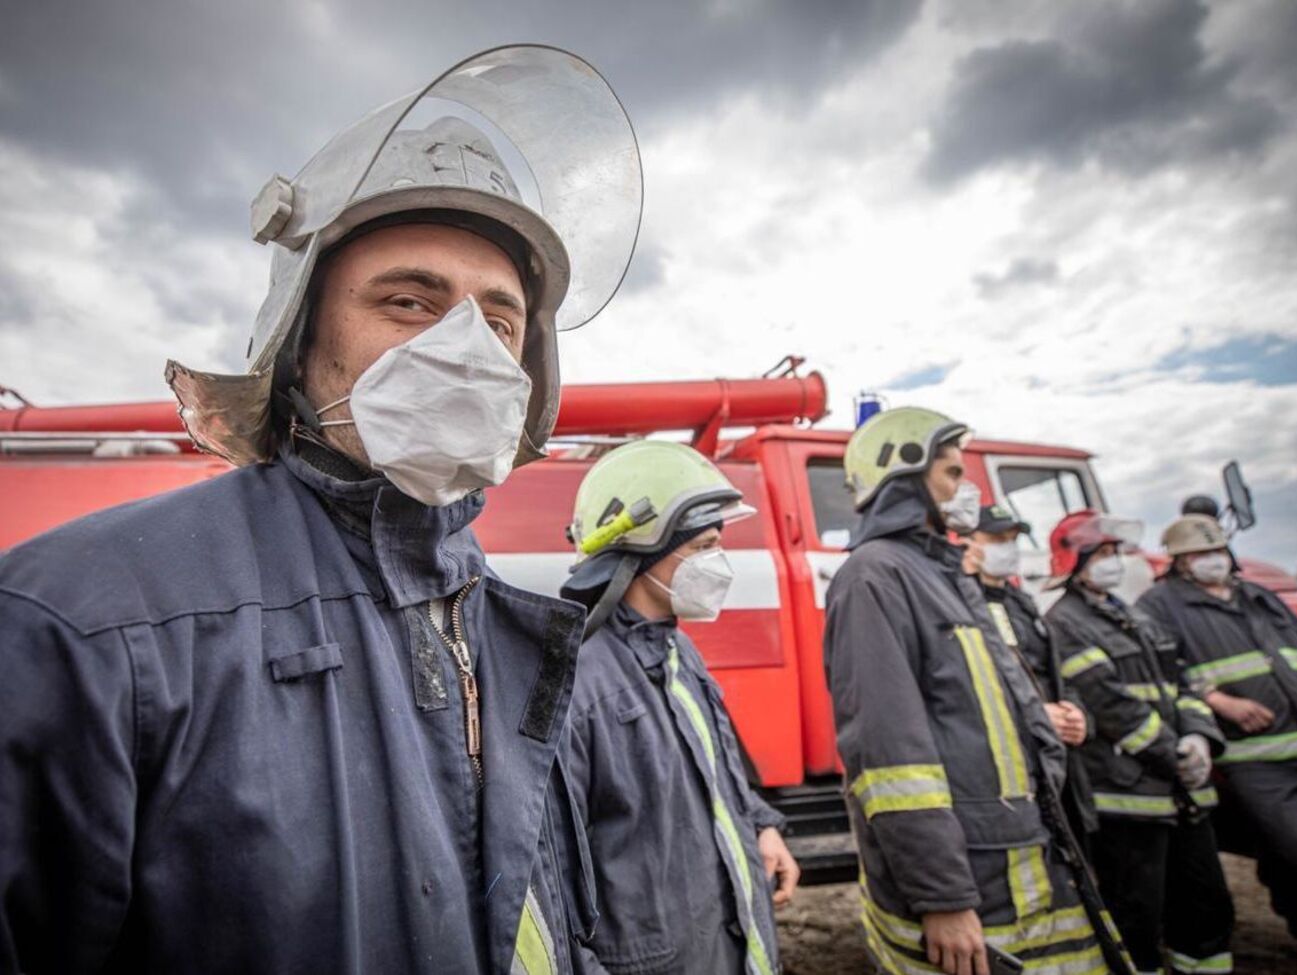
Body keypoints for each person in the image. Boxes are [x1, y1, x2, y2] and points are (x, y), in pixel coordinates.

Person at [0, 47, 642, 973]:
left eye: (499, 322)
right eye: (409, 300)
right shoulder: (83, 622)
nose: (465, 346)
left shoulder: (505, 625)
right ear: (301, 347)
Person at [824, 407, 1123, 975]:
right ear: (905, 478)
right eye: (955, 473)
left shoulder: (945, 574)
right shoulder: (874, 576)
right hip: (972, 873)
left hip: (1012, 853)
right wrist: (943, 898)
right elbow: (891, 760)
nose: (969, 490)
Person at [558, 440, 796, 974]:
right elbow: (549, 882)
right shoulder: (576, 682)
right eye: (705, 546)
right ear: (642, 546)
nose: (719, 563)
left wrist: (759, 824)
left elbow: (711, 767)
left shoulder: (675, 648)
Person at [1045, 511, 1234, 975]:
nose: (1114, 563)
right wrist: (1174, 754)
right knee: (1136, 916)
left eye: (1116, 553)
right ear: (1077, 559)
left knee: (1207, 907)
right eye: (1103, 553)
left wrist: (1198, 737)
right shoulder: (1064, 623)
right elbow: (1111, 707)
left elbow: (1183, 680)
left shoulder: (1136, 614)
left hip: (1182, 791)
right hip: (1128, 797)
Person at [1138, 513, 1297, 939]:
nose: (1213, 560)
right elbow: (1161, 672)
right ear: (1180, 561)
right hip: (1253, 757)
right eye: (1200, 554)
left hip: (1296, 740)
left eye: (1217, 551)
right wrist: (1218, 700)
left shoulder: (1258, 596)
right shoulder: (1159, 607)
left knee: (1284, 857)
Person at [966, 504, 1098, 849]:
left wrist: (1078, 713)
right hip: (1010, 763)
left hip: (1059, 754)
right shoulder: (959, 604)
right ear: (967, 541)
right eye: (996, 538)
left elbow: (1053, 670)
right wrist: (1036, 718)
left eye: (1012, 539)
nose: (1007, 548)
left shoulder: (1022, 602)